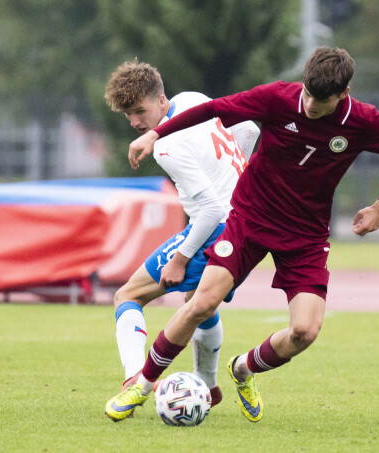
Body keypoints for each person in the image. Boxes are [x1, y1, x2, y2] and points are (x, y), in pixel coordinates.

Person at [105, 47, 379, 422]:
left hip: (305, 234)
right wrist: (155, 133)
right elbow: (214, 110)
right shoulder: (278, 98)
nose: (309, 106)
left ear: (343, 94)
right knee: (202, 303)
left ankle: (242, 369)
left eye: (320, 103)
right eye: (306, 95)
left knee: (304, 331)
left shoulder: (363, 121)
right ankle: (142, 385)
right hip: (249, 219)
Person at [102, 59, 260, 420]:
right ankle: (208, 386)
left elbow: (208, 208)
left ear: (161, 100)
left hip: (215, 227)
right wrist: (238, 182)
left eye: (139, 111)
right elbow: (249, 130)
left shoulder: (166, 146)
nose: (135, 123)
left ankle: (133, 380)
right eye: (128, 115)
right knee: (198, 301)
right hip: (245, 226)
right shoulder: (192, 99)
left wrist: (181, 257)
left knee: (127, 294)